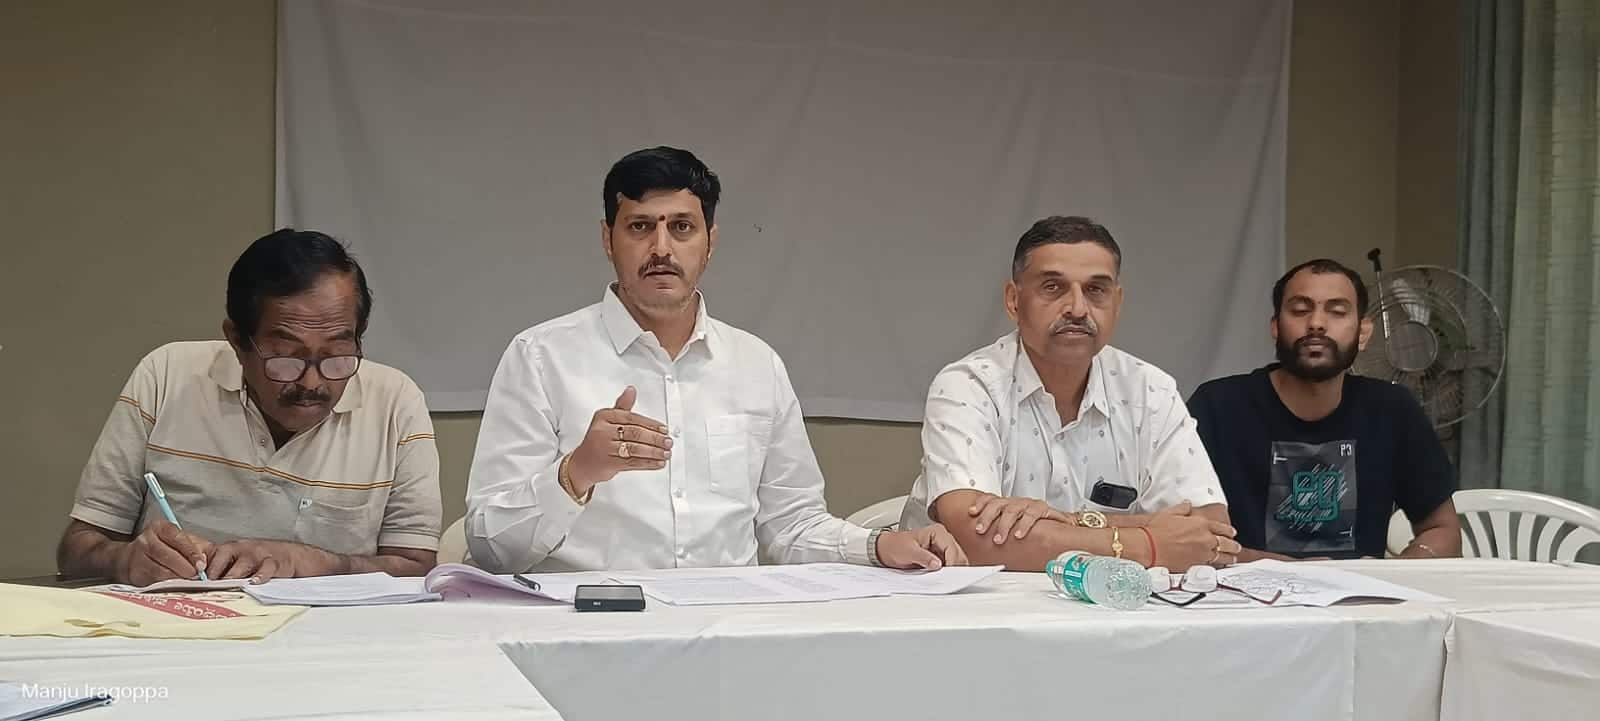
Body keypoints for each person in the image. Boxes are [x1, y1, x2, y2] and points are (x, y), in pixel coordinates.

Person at [465, 146, 966, 573]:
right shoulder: (541, 358)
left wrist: (879, 546)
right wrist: (577, 472)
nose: (661, 248)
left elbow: (791, 525)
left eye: (682, 227)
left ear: (710, 243)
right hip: (586, 626)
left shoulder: (756, 364)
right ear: (607, 240)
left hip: (728, 630)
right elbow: (490, 547)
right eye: (640, 227)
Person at [57, 230, 443, 585]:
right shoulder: (167, 376)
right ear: (237, 340)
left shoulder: (395, 401)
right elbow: (77, 551)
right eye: (286, 358)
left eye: (336, 355)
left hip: (330, 632)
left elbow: (416, 567)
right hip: (180, 625)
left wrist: (319, 563)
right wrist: (125, 560)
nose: (312, 383)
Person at [900, 216, 1240, 571]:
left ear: (1117, 302)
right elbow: (977, 539)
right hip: (973, 601)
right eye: (1053, 287)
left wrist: (1070, 521)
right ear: (1014, 300)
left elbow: (1212, 533)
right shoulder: (969, 385)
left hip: (1109, 602)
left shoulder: (1150, 390)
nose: (1077, 309)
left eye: (1096, 290)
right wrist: (1150, 543)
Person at [1187, 258, 1460, 559]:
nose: (1316, 323)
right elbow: (1186, 539)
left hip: (1359, 591)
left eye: (1337, 312)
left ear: (1363, 333)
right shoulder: (1218, 406)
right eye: (1300, 310)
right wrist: (1293, 572)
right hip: (1243, 588)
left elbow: (1443, 530)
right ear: (1275, 327)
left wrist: (1392, 573)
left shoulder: (1392, 410)